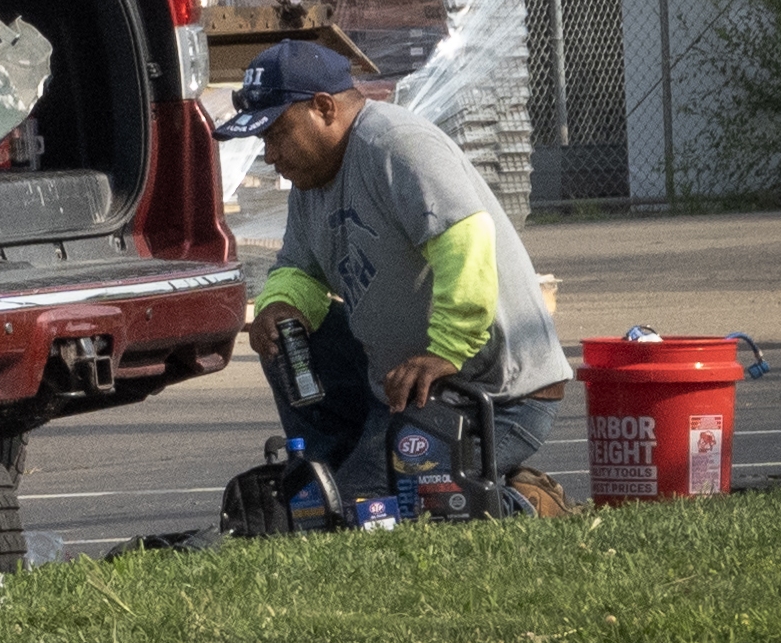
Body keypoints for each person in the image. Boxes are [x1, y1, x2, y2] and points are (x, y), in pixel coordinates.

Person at [215, 37, 570, 514]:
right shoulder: (312, 180)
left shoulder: (396, 146)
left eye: (276, 133)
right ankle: (335, 470)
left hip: (494, 396)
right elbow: (299, 267)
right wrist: (283, 304)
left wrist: (446, 349)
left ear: (323, 108)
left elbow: (465, 242)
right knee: (287, 343)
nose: (270, 154)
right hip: (408, 392)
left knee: (369, 511)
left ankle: (518, 501)